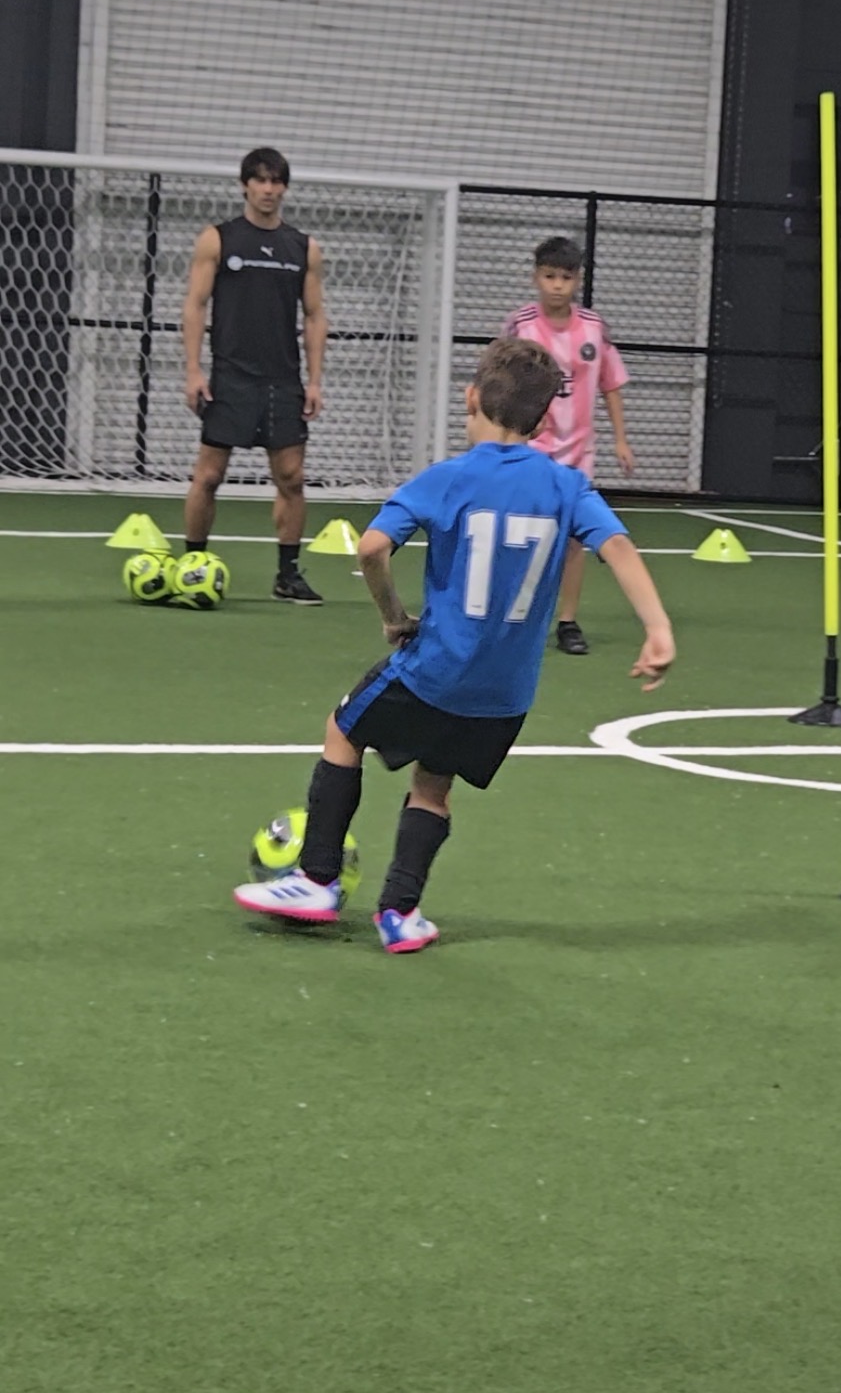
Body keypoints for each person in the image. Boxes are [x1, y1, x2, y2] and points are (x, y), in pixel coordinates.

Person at [233, 337, 674, 954]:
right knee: (434, 786)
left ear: (470, 398)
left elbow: (371, 548)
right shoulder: (568, 487)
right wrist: (658, 628)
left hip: (435, 669)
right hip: (504, 694)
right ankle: (400, 914)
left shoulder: (448, 478)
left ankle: (317, 879)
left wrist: (393, 616)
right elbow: (618, 547)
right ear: (542, 422)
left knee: (343, 732)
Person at [182, 146, 328, 604]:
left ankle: (288, 575)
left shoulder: (303, 247)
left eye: (276, 181)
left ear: (284, 188)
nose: (268, 189)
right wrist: (193, 370)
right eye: (260, 180)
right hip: (230, 377)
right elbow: (195, 305)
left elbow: (315, 315)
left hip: (283, 380)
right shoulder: (217, 239)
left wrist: (315, 380)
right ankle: (192, 563)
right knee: (208, 476)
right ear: (245, 185)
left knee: (292, 477)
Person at [502, 234, 634, 656]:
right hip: (530, 447)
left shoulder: (594, 328)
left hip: (578, 452)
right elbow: (501, 382)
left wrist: (620, 439)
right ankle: (514, 614)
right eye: (549, 276)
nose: (557, 285)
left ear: (577, 280)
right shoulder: (521, 326)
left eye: (565, 277)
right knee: (522, 531)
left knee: (574, 540)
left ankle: (568, 621)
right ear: (535, 278)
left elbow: (611, 384)